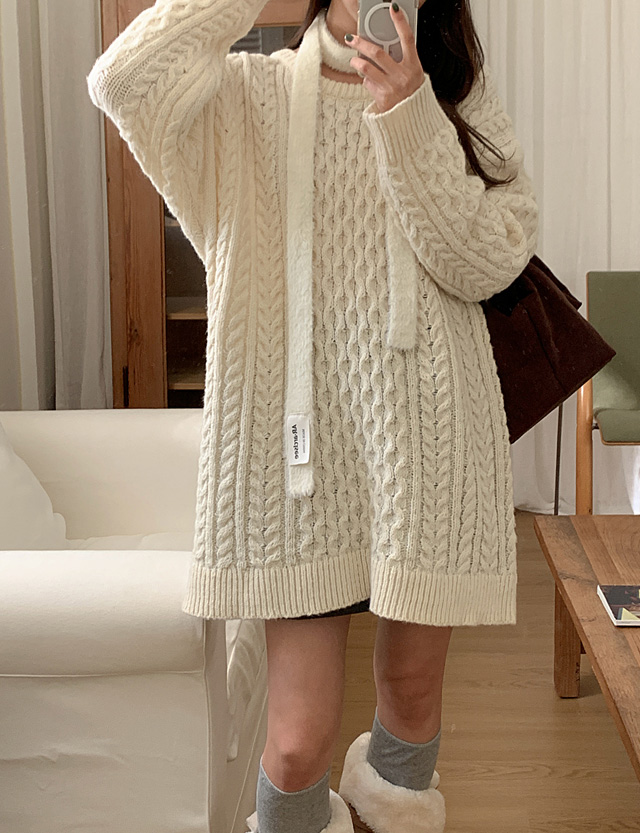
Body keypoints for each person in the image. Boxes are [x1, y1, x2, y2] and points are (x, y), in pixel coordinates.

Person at [87, 0, 538, 830]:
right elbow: (123, 80)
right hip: (290, 453)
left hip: (430, 441)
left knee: (410, 695)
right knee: (297, 742)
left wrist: (410, 115)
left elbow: (490, 261)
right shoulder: (244, 96)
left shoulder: (454, 92)